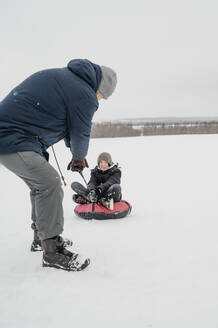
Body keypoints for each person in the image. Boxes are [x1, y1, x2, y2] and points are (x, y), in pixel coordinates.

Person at [0, 59, 117, 271]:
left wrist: (75, 154)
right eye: (102, 96)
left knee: (40, 186)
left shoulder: (69, 81)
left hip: (16, 135)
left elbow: (70, 126)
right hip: (11, 137)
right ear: (100, 88)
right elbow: (81, 131)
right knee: (49, 183)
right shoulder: (84, 93)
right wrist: (79, 156)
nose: (99, 100)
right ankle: (52, 251)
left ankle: (41, 238)